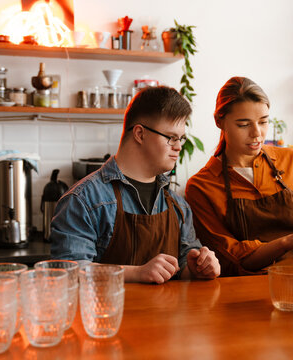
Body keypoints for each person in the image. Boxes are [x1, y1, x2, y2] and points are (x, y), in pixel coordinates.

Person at [50, 86, 221, 283]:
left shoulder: (178, 206)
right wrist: (137, 273)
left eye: (181, 138)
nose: (179, 146)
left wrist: (199, 268)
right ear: (140, 134)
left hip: (164, 314)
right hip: (107, 313)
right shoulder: (84, 200)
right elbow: (69, 271)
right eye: (171, 137)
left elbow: (184, 269)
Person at [185, 77, 293, 277]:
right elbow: (232, 259)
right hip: (243, 292)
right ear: (219, 122)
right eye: (243, 124)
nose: (257, 133)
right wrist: (287, 242)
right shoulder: (201, 186)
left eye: (263, 121)